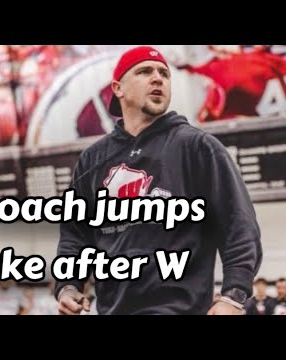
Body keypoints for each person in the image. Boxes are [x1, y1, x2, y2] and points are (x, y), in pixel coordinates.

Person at [54, 46, 262, 315]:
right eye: (144, 71)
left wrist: (233, 295)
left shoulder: (198, 147)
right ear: (118, 88)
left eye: (164, 73)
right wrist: (68, 285)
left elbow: (239, 224)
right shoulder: (92, 160)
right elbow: (75, 235)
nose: (158, 78)